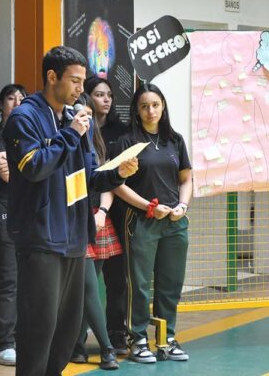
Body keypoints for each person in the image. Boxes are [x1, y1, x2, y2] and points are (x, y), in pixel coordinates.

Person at [3, 45, 138, 376]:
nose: (82, 90)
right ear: (52, 77)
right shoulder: (26, 117)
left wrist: (116, 173)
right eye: (75, 82)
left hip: (75, 236)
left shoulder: (75, 119)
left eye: (83, 82)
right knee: (40, 327)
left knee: (66, 330)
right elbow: (33, 167)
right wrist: (71, 133)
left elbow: (88, 177)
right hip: (41, 237)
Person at [113, 83, 192, 364]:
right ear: (136, 109)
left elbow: (186, 179)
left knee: (171, 283)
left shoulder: (175, 140)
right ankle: (138, 339)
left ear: (163, 106)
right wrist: (148, 207)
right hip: (142, 220)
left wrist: (182, 206)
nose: (151, 111)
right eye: (144, 106)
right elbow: (116, 185)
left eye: (155, 105)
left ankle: (166, 338)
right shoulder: (127, 143)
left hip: (174, 222)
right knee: (140, 283)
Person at [69, 94, 119, 371]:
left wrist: (102, 212)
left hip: (98, 218)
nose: (84, 118)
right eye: (79, 113)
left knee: (90, 291)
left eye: (88, 114)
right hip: (75, 221)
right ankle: (107, 348)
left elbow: (108, 184)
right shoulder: (66, 138)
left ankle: (77, 344)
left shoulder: (96, 143)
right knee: (88, 288)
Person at [84, 75, 129, 353]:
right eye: (99, 94)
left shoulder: (120, 131)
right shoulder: (79, 128)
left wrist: (104, 208)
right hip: (85, 208)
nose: (106, 99)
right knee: (86, 282)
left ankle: (117, 332)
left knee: (117, 277)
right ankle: (78, 340)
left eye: (109, 95)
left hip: (115, 209)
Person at [0, 83, 26, 366]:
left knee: (28, 277)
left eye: (22, 99)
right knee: (8, 276)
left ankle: (23, 336)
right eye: (11, 98)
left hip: (26, 209)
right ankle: (2, 342)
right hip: (2, 209)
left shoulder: (27, 134)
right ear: (1, 104)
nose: (17, 102)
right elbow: (7, 173)